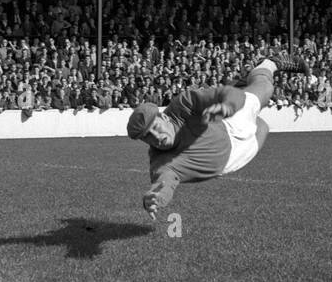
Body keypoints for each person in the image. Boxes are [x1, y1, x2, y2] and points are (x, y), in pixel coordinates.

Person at [127, 53, 308, 219]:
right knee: (262, 127)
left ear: (164, 116)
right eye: (148, 137)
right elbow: (163, 184)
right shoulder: (161, 163)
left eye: (156, 127)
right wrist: (155, 198)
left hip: (229, 121)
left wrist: (228, 105)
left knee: (264, 88)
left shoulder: (183, 105)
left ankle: (270, 62)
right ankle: (241, 84)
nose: (156, 137)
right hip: (233, 158)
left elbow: (226, 95)